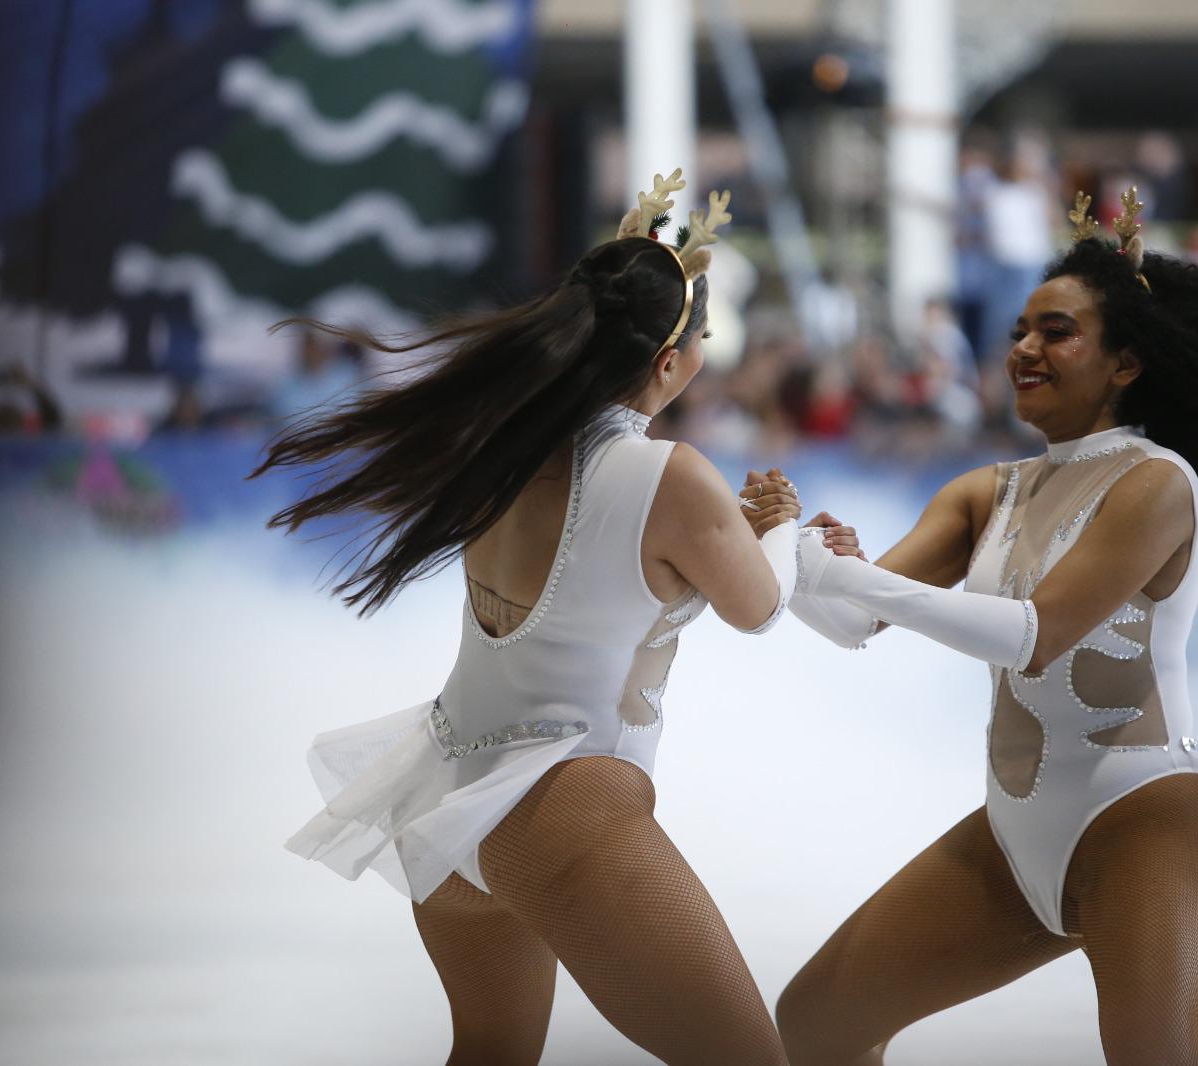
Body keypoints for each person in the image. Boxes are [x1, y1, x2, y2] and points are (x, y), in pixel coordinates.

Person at [768, 189, 1198, 1065]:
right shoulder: (986, 490)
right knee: (816, 1024)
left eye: (1057, 331)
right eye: (1021, 329)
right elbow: (847, 623)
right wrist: (793, 553)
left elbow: (1036, 633)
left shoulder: (1156, 483)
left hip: (1144, 818)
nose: (1025, 348)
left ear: (1126, 363)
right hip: (1013, 831)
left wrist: (849, 575)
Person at [252, 171, 811, 1066]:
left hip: (448, 797)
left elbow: (609, 559)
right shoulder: (673, 477)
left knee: (489, 1053)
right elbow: (762, 606)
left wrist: (727, 532)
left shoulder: (502, 441)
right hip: (563, 808)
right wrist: (781, 529)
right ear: (668, 363)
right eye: (701, 338)